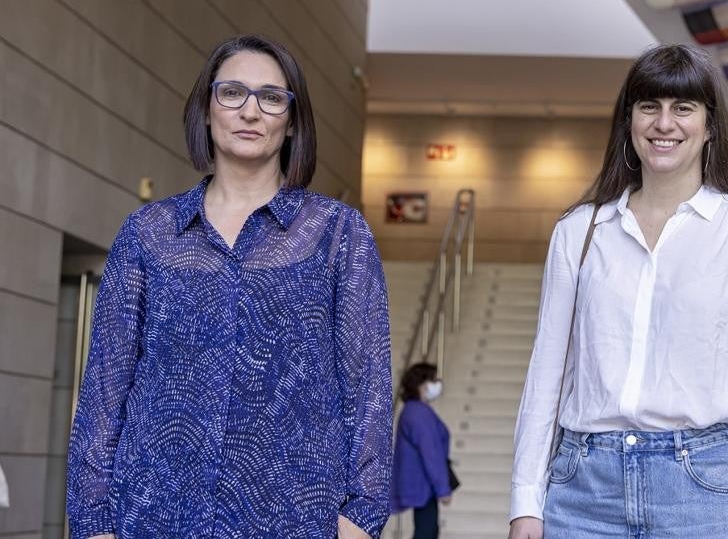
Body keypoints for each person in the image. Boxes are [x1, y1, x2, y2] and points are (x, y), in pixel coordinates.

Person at [66, 34, 393, 538]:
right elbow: (105, 392)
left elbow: (367, 386)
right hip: (152, 515)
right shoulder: (147, 234)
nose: (250, 111)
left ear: (291, 123)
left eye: (271, 97)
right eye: (232, 93)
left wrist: (361, 518)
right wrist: (92, 524)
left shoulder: (336, 234)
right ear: (206, 109)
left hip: (296, 518)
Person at [508, 44, 728, 539]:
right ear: (629, 121)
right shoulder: (580, 231)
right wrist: (525, 502)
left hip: (709, 491)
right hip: (583, 488)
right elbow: (546, 375)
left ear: (710, 126)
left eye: (683, 108)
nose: (664, 123)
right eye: (650, 106)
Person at [392, 362, 454, 538]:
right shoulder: (419, 413)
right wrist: (443, 489)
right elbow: (431, 453)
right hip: (424, 486)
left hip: (420, 484)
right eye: (433, 380)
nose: (437, 384)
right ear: (421, 384)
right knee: (427, 532)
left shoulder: (412, 410)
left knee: (426, 530)